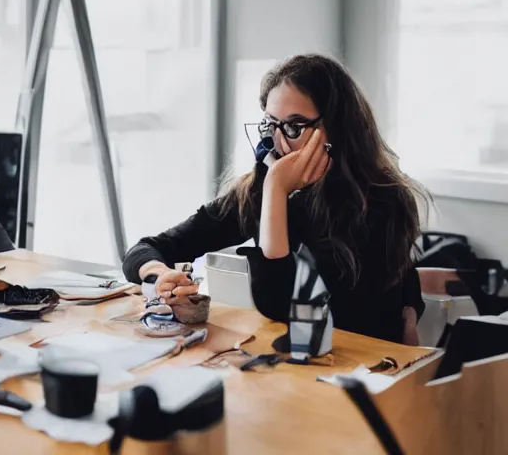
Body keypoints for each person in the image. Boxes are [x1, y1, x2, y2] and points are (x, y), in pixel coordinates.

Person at [122, 54, 427, 345]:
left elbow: (284, 307)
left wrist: (277, 191)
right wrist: (160, 274)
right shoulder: (259, 191)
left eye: (294, 126)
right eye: (271, 125)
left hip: (363, 372)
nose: (277, 143)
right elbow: (148, 248)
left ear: (337, 128)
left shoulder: (383, 203)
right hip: (297, 372)